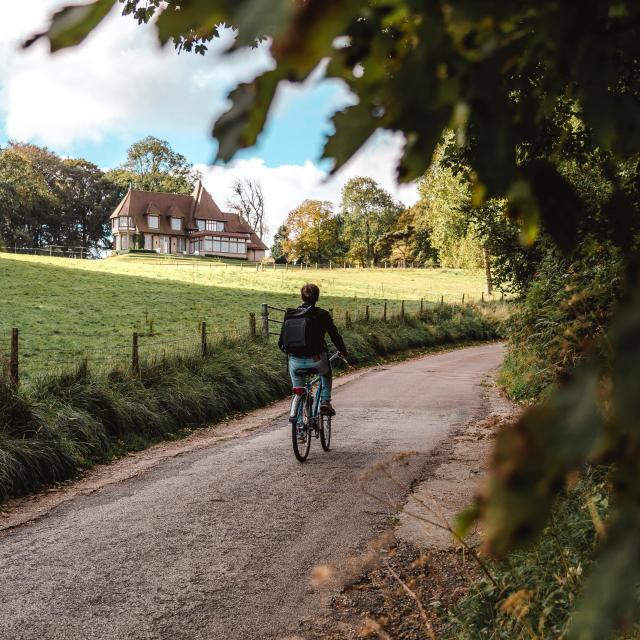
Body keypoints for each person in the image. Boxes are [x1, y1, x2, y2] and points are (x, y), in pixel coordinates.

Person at [278, 283, 348, 416]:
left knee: (298, 389)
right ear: (317, 298)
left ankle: (299, 428)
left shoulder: (290, 315)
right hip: (317, 360)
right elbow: (335, 336)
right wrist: (343, 350)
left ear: (302, 297)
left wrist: (294, 353)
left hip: (295, 361)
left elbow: (281, 342)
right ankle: (325, 402)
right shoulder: (323, 315)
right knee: (326, 374)